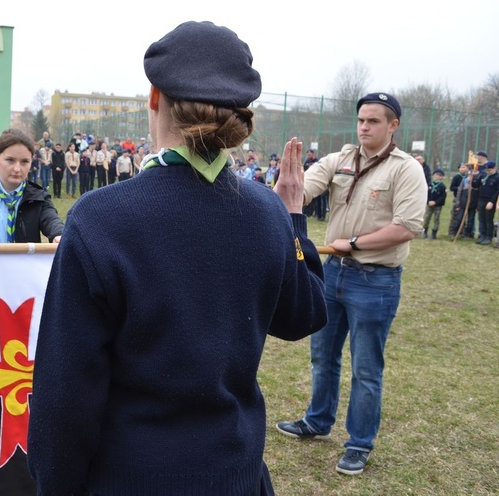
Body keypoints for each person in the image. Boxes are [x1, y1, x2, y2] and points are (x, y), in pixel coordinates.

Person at [27, 21, 327, 495]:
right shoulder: (267, 211)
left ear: (154, 97)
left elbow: (64, 398)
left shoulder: (102, 218)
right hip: (236, 475)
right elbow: (304, 315)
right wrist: (294, 219)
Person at [276, 92, 428, 476]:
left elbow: (407, 228)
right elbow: (303, 190)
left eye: (374, 121)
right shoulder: (340, 159)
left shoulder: (405, 169)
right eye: (361, 120)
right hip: (332, 273)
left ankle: (359, 443)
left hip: (375, 280)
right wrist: (287, 185)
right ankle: (317, 420)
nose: (364, 127)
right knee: (322, 356)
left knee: (366, 368)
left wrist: (356, 244)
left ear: (393, 126)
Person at [476, 161, 499, 245]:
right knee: (481, 218)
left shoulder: (497, 178)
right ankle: (482, 235)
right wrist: (472, 180)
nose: (487, 172)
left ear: (494, 168)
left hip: (490, 201)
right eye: (486, 170)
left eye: (489, 170)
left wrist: (492, 202)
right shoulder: (484, 176)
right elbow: (477, 184)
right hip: (481, 199)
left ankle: (489, 237)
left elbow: (497, 191)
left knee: (488, 219)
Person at [422, 168, 447, 239]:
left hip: (437, 206)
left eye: (439, 175)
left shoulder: (442, 186)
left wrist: (435, 202)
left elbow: (443, 197)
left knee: (436, 219)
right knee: (427, 218)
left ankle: (434, 233)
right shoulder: (429, 184)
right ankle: (425, 231)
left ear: (441, 177)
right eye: (435, 175)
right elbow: (426, 194)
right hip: (429, 205)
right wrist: (428, 201)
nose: (437, 176)